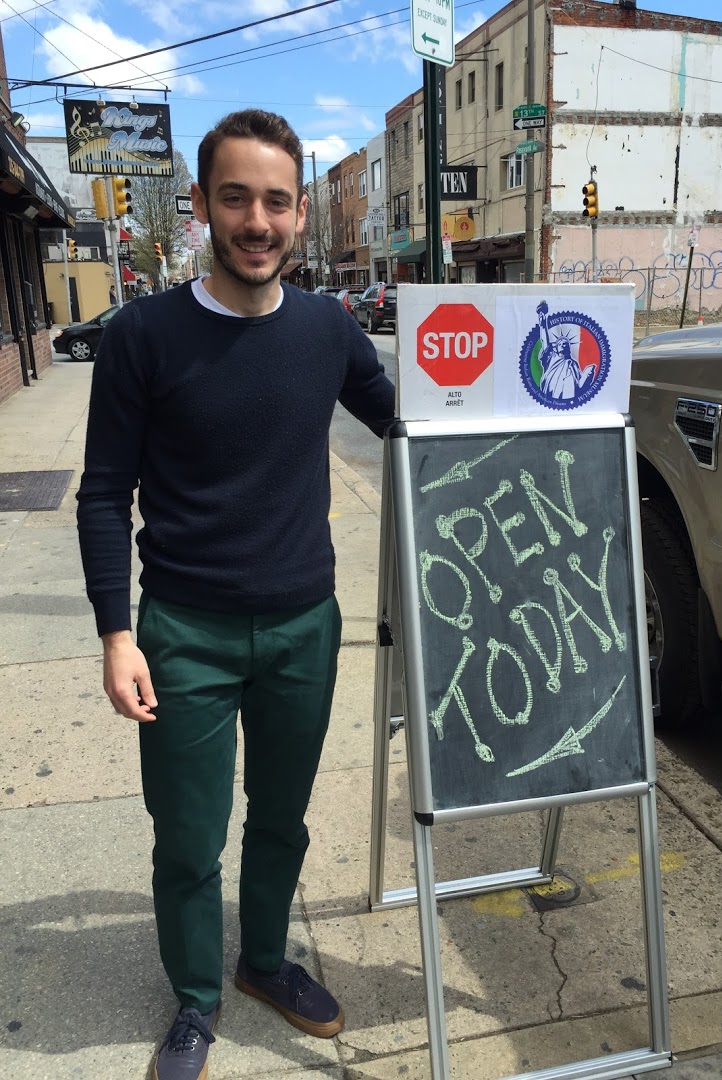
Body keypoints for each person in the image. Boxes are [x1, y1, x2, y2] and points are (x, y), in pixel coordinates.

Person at [76, 109, 395, 1080]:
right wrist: (118, 635)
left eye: (276, 202)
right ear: (204, 205)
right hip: (185, 634)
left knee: (282, 818)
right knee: (187, 837)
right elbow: (103, 492)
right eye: (237, 198)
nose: (258, 222)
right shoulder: (142, 335)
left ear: (299, 213)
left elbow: (411, 425)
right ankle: (196, 999)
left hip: (305, 627)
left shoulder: (328, 329)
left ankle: (262, 961)